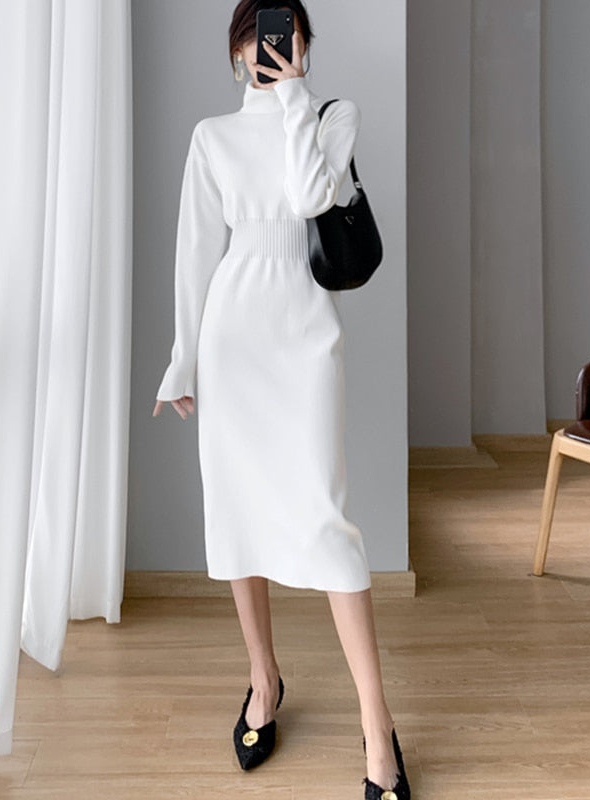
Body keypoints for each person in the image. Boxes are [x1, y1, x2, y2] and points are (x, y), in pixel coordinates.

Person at [152, 2, 410, 798]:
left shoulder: (332, 117)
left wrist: (294, 94)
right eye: (259, 38)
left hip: (303, 333)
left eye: (286, 36)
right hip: (232, 337)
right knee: (237, 511)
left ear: (301, 46)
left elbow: (307, 198)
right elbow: (196, 252)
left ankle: (376, 724)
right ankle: (263, 679)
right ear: (237, 51)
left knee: (326, 521)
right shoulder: (212, 137)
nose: (270, 48)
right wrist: (181, 358)